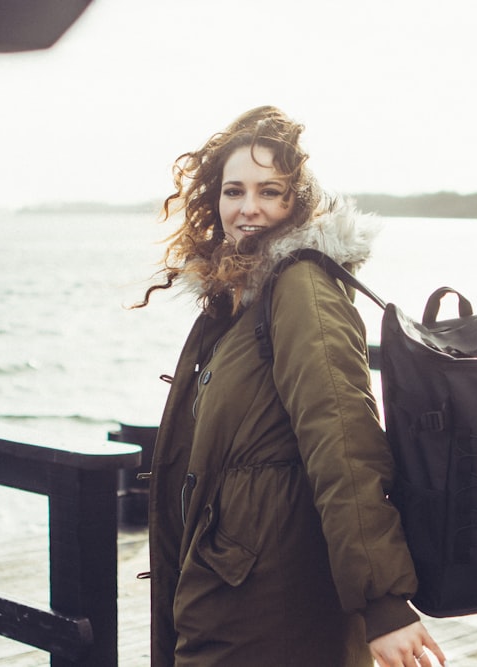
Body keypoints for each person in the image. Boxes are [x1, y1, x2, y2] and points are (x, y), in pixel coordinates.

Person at [135, 106, 446, 667]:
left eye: (270, 191)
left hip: (272, 598)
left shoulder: (301, 283)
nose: (248, 208)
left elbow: (343, 436)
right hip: (225, 584)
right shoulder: (235, 298)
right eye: (233, 191)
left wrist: (382, 601)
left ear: (296, 201)